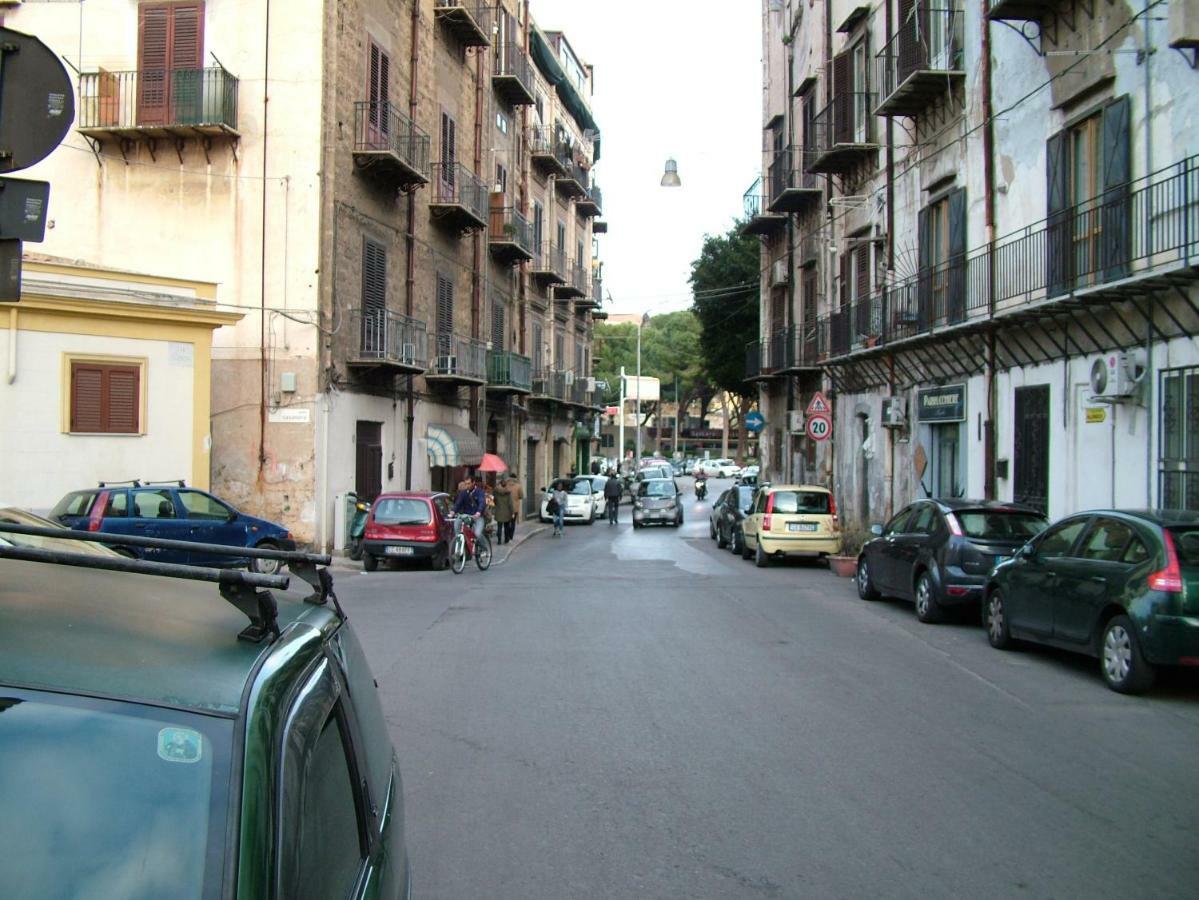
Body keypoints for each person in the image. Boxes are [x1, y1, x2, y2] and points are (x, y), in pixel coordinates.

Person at [452, 475, 486, 543]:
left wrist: (478, 512)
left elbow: (481, 502)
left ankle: (486, 550)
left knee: (477, 534)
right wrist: (453, 511)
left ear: (473, 483)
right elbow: (458, 503)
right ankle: (460, 544)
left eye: (469, 483)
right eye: (465, 484)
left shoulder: (480, 492)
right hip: (466, 516)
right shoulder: (463, 493)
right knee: (457, 524)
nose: (467, 486)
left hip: (477, 517)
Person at [500, 473, 523, 544]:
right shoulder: (518, 486)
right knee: (512, 523)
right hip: (515, 508)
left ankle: (506, 537)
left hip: (506, 507)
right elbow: (521, 496)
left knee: (506, 523)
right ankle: (510, 536)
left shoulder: (505, 485)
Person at [493, 475, 515, 545]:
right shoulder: (508, 493)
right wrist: (513, 512)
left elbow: (494, 500)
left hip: (499, 511)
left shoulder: (496, 491)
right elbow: (510, 503)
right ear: (505, 484)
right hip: (507, 512)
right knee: (506, 527)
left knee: (499, 527)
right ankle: (506, 540)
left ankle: (499, 541)